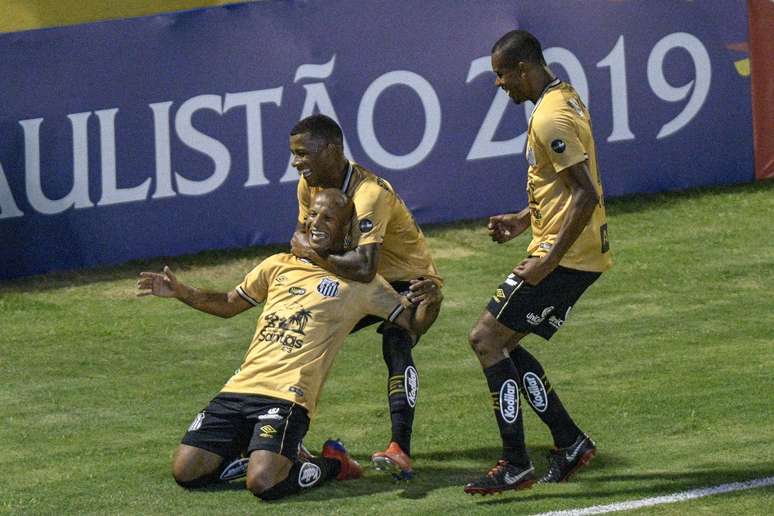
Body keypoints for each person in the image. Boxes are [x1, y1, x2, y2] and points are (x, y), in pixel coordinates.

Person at [136, 189, 442, 500]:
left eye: (328, 218)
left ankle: (335, 465)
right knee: (186, 472)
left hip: (287, 399)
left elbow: (413, 323)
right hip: (238, 389)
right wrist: (181, 291)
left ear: (347, 229)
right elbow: (229, 303)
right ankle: (256, 452)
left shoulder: (365, 285)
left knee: (263, 483)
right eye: (312, 215)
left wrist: (431, 301)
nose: (315, 223)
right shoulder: (279, 264)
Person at [463, 30, 613, 495]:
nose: (499, 84)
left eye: (502, 74)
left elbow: (586, 195)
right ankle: (569, 443)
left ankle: (515, 463)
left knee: (486, 339)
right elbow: (565, 185)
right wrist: (525, 219)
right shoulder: (564, 98)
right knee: (500, 342)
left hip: (567, 257)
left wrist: (548, 259)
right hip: (568, 249)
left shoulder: (549, 118)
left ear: (524, 69)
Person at [288, 114, 443, 479]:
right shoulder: (307, 187)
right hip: (349, 276)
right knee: (298, 334)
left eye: (303, 154)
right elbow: (299, 242)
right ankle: (287, 437)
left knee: (396, 340)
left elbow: (364, 267)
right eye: (294, 155)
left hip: (410, 282)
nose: (296, 163)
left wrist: (311, 253)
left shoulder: (370, 193)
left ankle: (399, 449)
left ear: (331, 150)